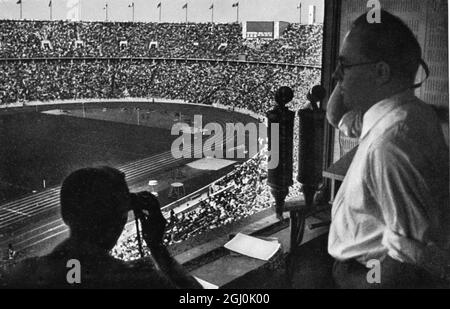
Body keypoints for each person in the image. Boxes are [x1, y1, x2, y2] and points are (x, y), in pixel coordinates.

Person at [326, 10, 449, 288]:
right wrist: (347, 69)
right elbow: (335, 117)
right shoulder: (404, 114)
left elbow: (410, 262)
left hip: (366, 276)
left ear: (381, 72)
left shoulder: (390, 144)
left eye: (343, 66)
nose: (335, 76)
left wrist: (353, 282)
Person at [2, 166, 202, 289]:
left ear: (65, 215)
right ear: (120, 219)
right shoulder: (137, 280)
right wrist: (157, 247)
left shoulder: (23, 273)